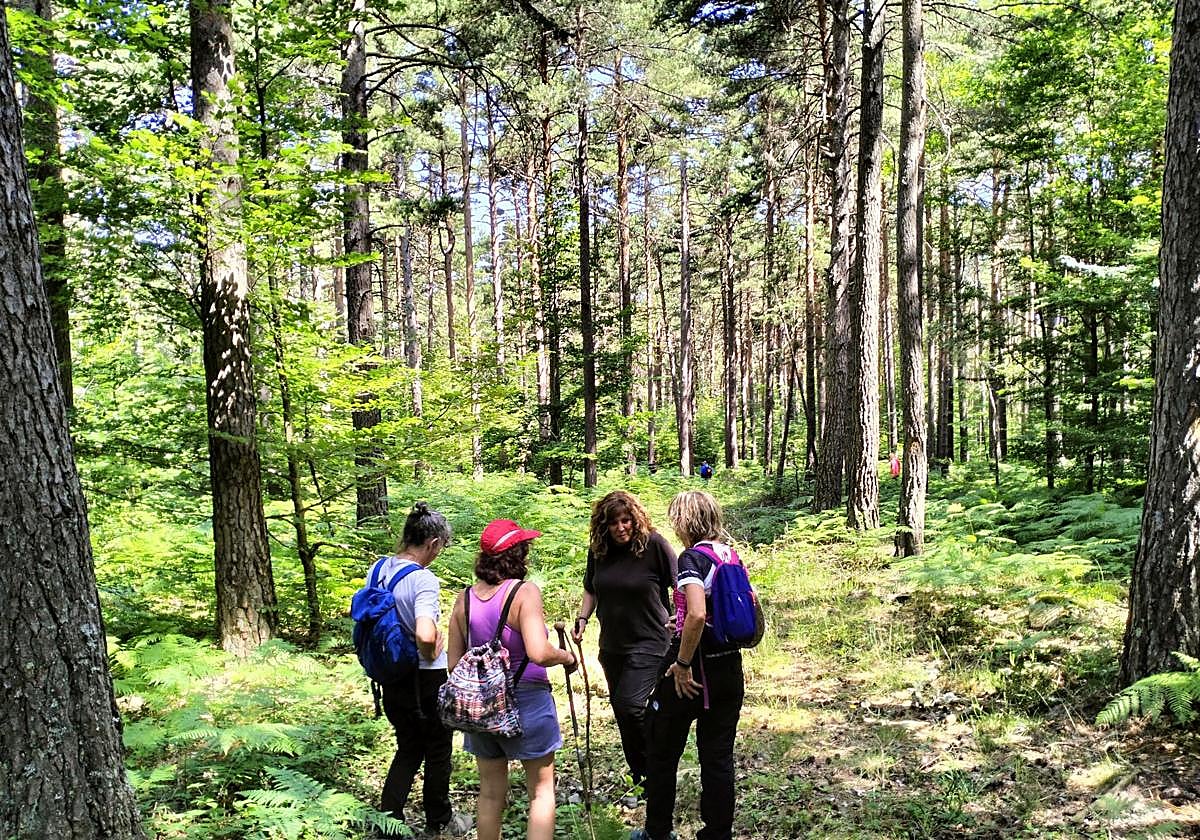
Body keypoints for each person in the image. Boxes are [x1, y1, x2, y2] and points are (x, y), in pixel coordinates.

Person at [446, 519, 577, 840]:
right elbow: (538, 651)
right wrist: (567, 657)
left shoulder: (463, 600)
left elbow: (454, 665)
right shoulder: (524, 593)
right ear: (518, 554)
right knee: (541, 792)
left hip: (481, 709)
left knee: (490, 794)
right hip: (527, 702)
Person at [633, 491, 745, 840]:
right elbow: (717, 611)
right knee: (718, 758)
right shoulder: (729, 554)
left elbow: (698, 612)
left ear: (685, 522)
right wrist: (679, 621)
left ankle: (657, 832)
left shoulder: (692, 559)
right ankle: (717, 834)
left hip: (695, 672)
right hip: (729, 669)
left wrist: (681, 663)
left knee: (661, 748)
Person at [369, 503, 472, 839]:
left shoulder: (379, 568)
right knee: (438, 749)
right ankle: (439, 821)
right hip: (424, 678)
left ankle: (389, 820)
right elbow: (426, 633)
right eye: (440, 547)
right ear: (432, 543)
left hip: (390, 676)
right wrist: (433, 649)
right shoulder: (423, 579)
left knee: (408, 746)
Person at [573, 491, 678, 791]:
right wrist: (582, 619)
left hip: (652, 640)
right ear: (603, 526)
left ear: (635, 520)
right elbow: (591, 589)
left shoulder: (654, 546)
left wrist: (681, 619)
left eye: (626, 520)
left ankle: (658, 769)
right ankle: (641, 775)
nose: (621, 528)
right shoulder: (599, 552)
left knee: (629, 704)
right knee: (623, 713)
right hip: (612, 646)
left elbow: (681, 583)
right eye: (613, 523)